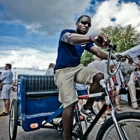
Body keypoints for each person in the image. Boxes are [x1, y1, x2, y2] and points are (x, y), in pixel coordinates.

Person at [54, 15, 133, 140]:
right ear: (77, 23)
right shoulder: (67, 33)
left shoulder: (85, 42)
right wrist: (91, 38)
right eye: (84, 22)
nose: (86, 25)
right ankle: (68, 138)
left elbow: (99, 53)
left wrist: (120, 56)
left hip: (77, 68)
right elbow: (71, 39)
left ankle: (87, 107)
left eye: (89, 24)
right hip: (63, 71)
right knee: (69, 103)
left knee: (99, 76)